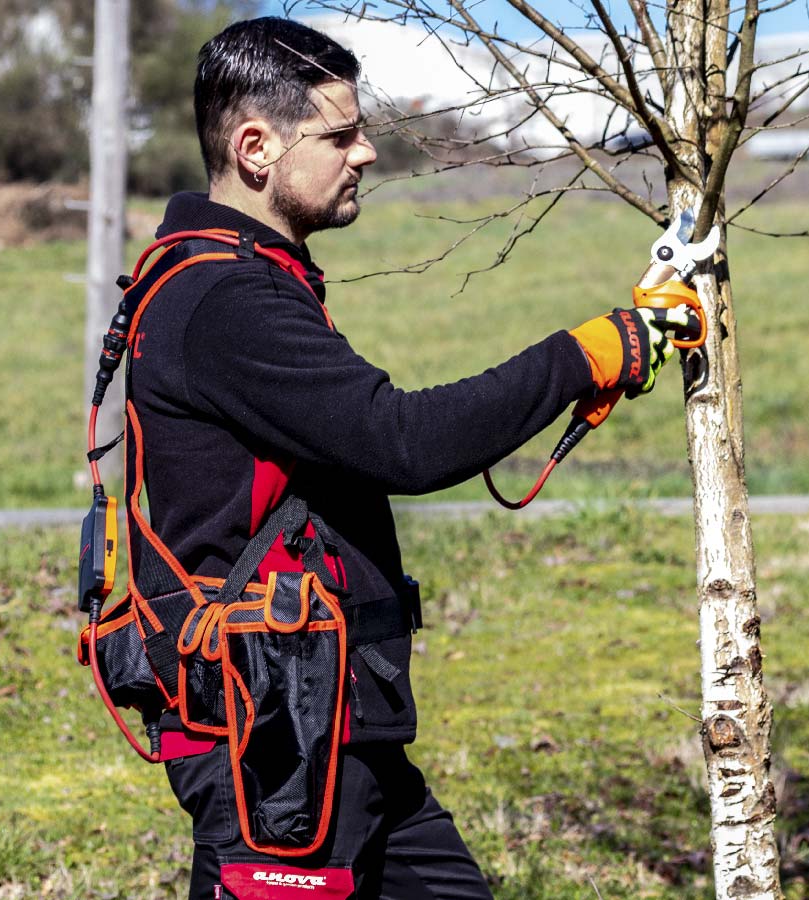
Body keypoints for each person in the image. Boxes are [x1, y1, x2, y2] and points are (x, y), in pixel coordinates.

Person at [124, 17, 693, 900]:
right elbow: (404, 441)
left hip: (334, 725)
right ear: (255, 148)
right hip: (276, 741)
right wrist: (590, 353)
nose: (367, 155)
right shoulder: (223, 300)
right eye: (341, 135)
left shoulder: (242, 277)